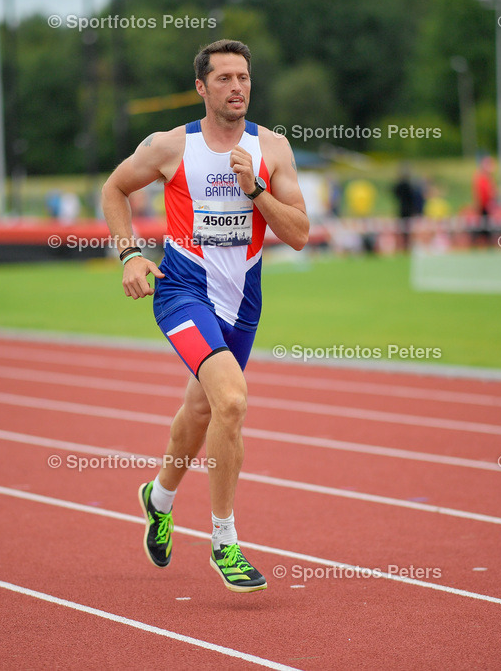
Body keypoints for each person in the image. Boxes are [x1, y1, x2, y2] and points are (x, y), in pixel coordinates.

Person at [100, 39, 308, 593]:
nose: (237, 87)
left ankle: (158, 498)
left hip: (243, 303)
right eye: (224, 78)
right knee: (231, 401)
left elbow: (299, 234)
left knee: (201, 409)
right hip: (182, 291)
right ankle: (224, 541)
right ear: (201, 87)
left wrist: (255, 189)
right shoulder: (170, 146)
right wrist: (129, 254)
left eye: (244, 77)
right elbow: (114, 188)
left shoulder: (273, 148)